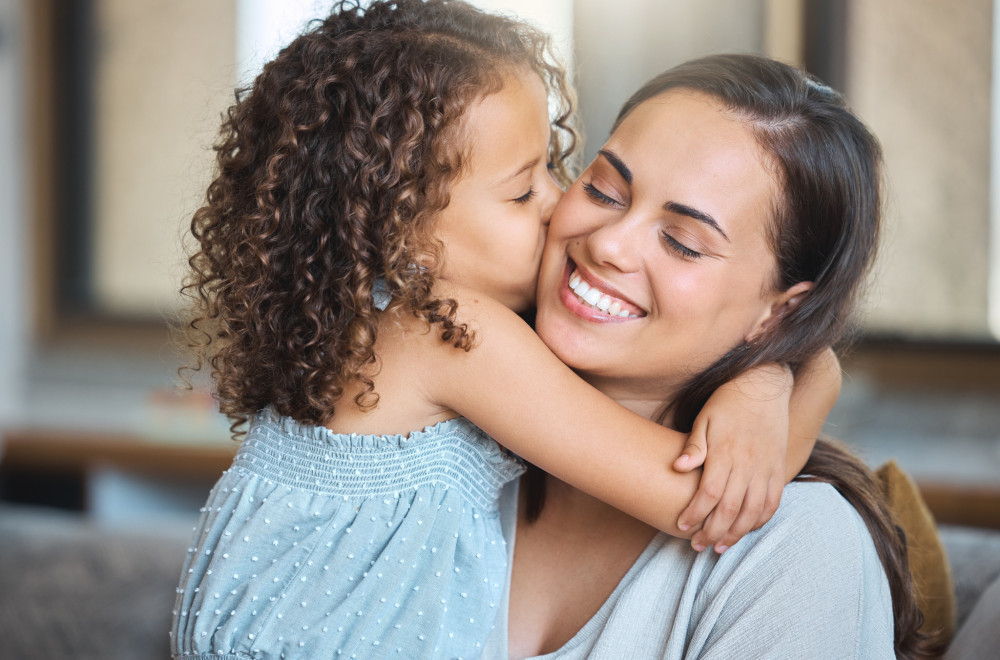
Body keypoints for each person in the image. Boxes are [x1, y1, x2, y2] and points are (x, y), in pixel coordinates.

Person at [170, 3, 839, 658]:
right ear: (401, 229)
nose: (558, 201)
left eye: (553, 166)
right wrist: (795, 374)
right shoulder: (449, 332)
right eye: (522, 191)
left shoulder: (372, 329)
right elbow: (702, 500)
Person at [487, 54, 942, 659]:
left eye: (682, 243)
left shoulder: (799, 549)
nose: (608, 243)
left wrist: (779, 373)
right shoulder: (438, 434)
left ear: (778, 312)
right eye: (603, 190)